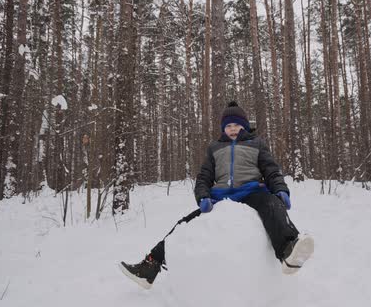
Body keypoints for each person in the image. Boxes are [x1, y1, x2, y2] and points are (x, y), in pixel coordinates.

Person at [119, 101, 314, 289]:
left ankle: (289, 249)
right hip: (221, 197)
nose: (233, 129)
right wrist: (203, 196)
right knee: (183, 225)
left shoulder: (257, 144)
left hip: (251, 192)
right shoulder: (215, 148)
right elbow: (204, 177)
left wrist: (280, 190)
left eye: (237, 124)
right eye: (228, 125)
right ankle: (150, 267)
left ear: (244, 126)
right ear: (223, 128)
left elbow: (271, 170)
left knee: (272, 205)